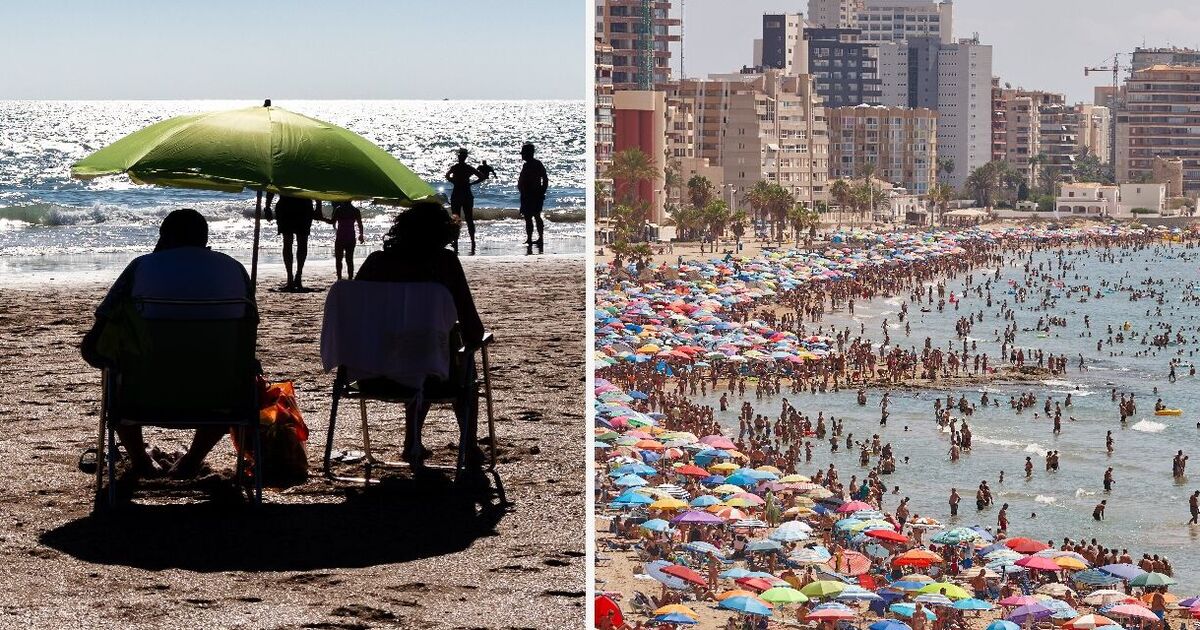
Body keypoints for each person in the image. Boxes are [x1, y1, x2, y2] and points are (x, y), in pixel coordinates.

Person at [81, 209, 255, 478]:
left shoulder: (142, 267)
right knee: (238, 369)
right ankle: (191, 460)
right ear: (204, 239)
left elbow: (92, 344)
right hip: (222, 397)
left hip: (142, 395)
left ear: (163, 238)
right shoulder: (235, 269)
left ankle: (140, 461)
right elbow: (247, 338)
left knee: (116, 368)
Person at [356, 201, 487, 468]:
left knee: (416, 349)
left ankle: (411, 441)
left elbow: (354, 316)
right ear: (444, 234)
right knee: (444, 356)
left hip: (372, 374)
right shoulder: (445, 264)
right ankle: (469, 446)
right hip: (435, 378)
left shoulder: (376, 263)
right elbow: (475, 330)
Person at [265, 193, 322, 291]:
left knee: (293, 243)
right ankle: (294, 278)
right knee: (298, 242)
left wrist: (268, 206)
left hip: (293, 205)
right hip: (296, 205)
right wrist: (318, 206)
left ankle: (294, 278)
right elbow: (315, 183)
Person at [445, 148, 485, 253]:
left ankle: (456, 241)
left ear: (459, 157)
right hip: (467, 193)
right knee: (469, 218)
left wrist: (453, 181)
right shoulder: (468, 168)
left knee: (456, 218)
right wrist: (471, 183)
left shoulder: (455, 167)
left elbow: (447, 176)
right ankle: (472, 241)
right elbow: (481, 176)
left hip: (457, 193)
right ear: (465, 157)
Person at [517, 142, 548, 247]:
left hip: (534, 195)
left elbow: (545, 178)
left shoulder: (536, 164)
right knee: (528, 218)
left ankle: (540, 238)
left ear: (528, 153)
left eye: (523, 153)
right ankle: (530, 238)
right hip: (526, 195)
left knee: (535, 216)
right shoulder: (527, 165)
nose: (522, 155)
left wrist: (542, 191)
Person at [324, 201, 365, 280]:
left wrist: (323, 218)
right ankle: (350, 277)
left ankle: (339, 277)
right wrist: (361, 235)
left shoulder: (339, 210)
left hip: (341, 236)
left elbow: (332, 221)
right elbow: (360, 224)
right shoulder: (355, 210)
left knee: (339, 259)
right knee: (349, 259)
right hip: (350, 236)